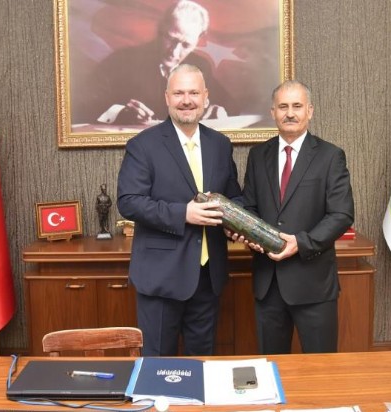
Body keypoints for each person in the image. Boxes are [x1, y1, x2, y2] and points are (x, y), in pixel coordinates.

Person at [117, 64, 242, 356]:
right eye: (179, 93)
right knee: (158, 364)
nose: (187, 100)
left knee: (202, 362)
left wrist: (237, 223)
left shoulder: (220, 145)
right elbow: (129, 201)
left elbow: (233, 196)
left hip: (208, 277)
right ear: (167, 98)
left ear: (206, 97)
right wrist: (182, 214)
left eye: (194, 93)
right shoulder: (143, 145)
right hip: (161, 277)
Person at [236, 80, 354, 354]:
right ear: (273, 112)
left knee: (321, 368)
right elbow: (250, 207)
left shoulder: (330, 156)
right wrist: (252, 236)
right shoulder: (258, 155)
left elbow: (341, 214)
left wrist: (300, 243)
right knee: (273, 367)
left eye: (297, 106)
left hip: (313, 284)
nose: (290, 113)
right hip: (268, 284)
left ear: (309, 111)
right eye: (283, 107)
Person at [77, 0, 236, 126]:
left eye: (186, 45)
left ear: (198, 40)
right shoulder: (121, 61)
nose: (174, 51)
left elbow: (230, 105)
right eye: (171, 39)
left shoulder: (200, 66)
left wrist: (219, 110)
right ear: (161, 28)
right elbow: (82, 105)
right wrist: (120, 113)